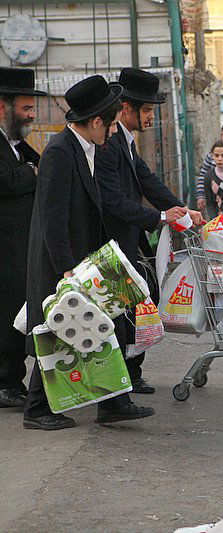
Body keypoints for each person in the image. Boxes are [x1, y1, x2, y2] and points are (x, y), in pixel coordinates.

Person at [24, 75, 155, 430]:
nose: (113, 133)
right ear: (96, 122)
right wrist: (66, 268)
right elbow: (52, 218)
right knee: (56, 331)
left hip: (86, 256)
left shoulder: (86, 147)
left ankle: (114, 402)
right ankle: (37, 408)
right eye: (110, 126)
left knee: (106, 324)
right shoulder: (59, 152)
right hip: (62, 259)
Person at [95, 68, 204, 395]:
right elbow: (112, 199)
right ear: (125, 108)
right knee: (123, 310)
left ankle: (132, 372)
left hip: (131, 236)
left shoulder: (126, 141)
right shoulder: (109, 143)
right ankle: (121, 381)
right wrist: (160, 216)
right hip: (112, 238)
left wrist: (182, 209)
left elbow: (148, 181)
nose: (150, 117)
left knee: (138, 303)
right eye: (145, 110)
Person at [0, 67, 46, 408]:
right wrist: (30, 172)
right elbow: (7, 181)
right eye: (26, 108)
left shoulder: (15, 143)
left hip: (18, 245)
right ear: (3, 107)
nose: (31, 115)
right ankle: (5, 384)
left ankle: (11, 379)